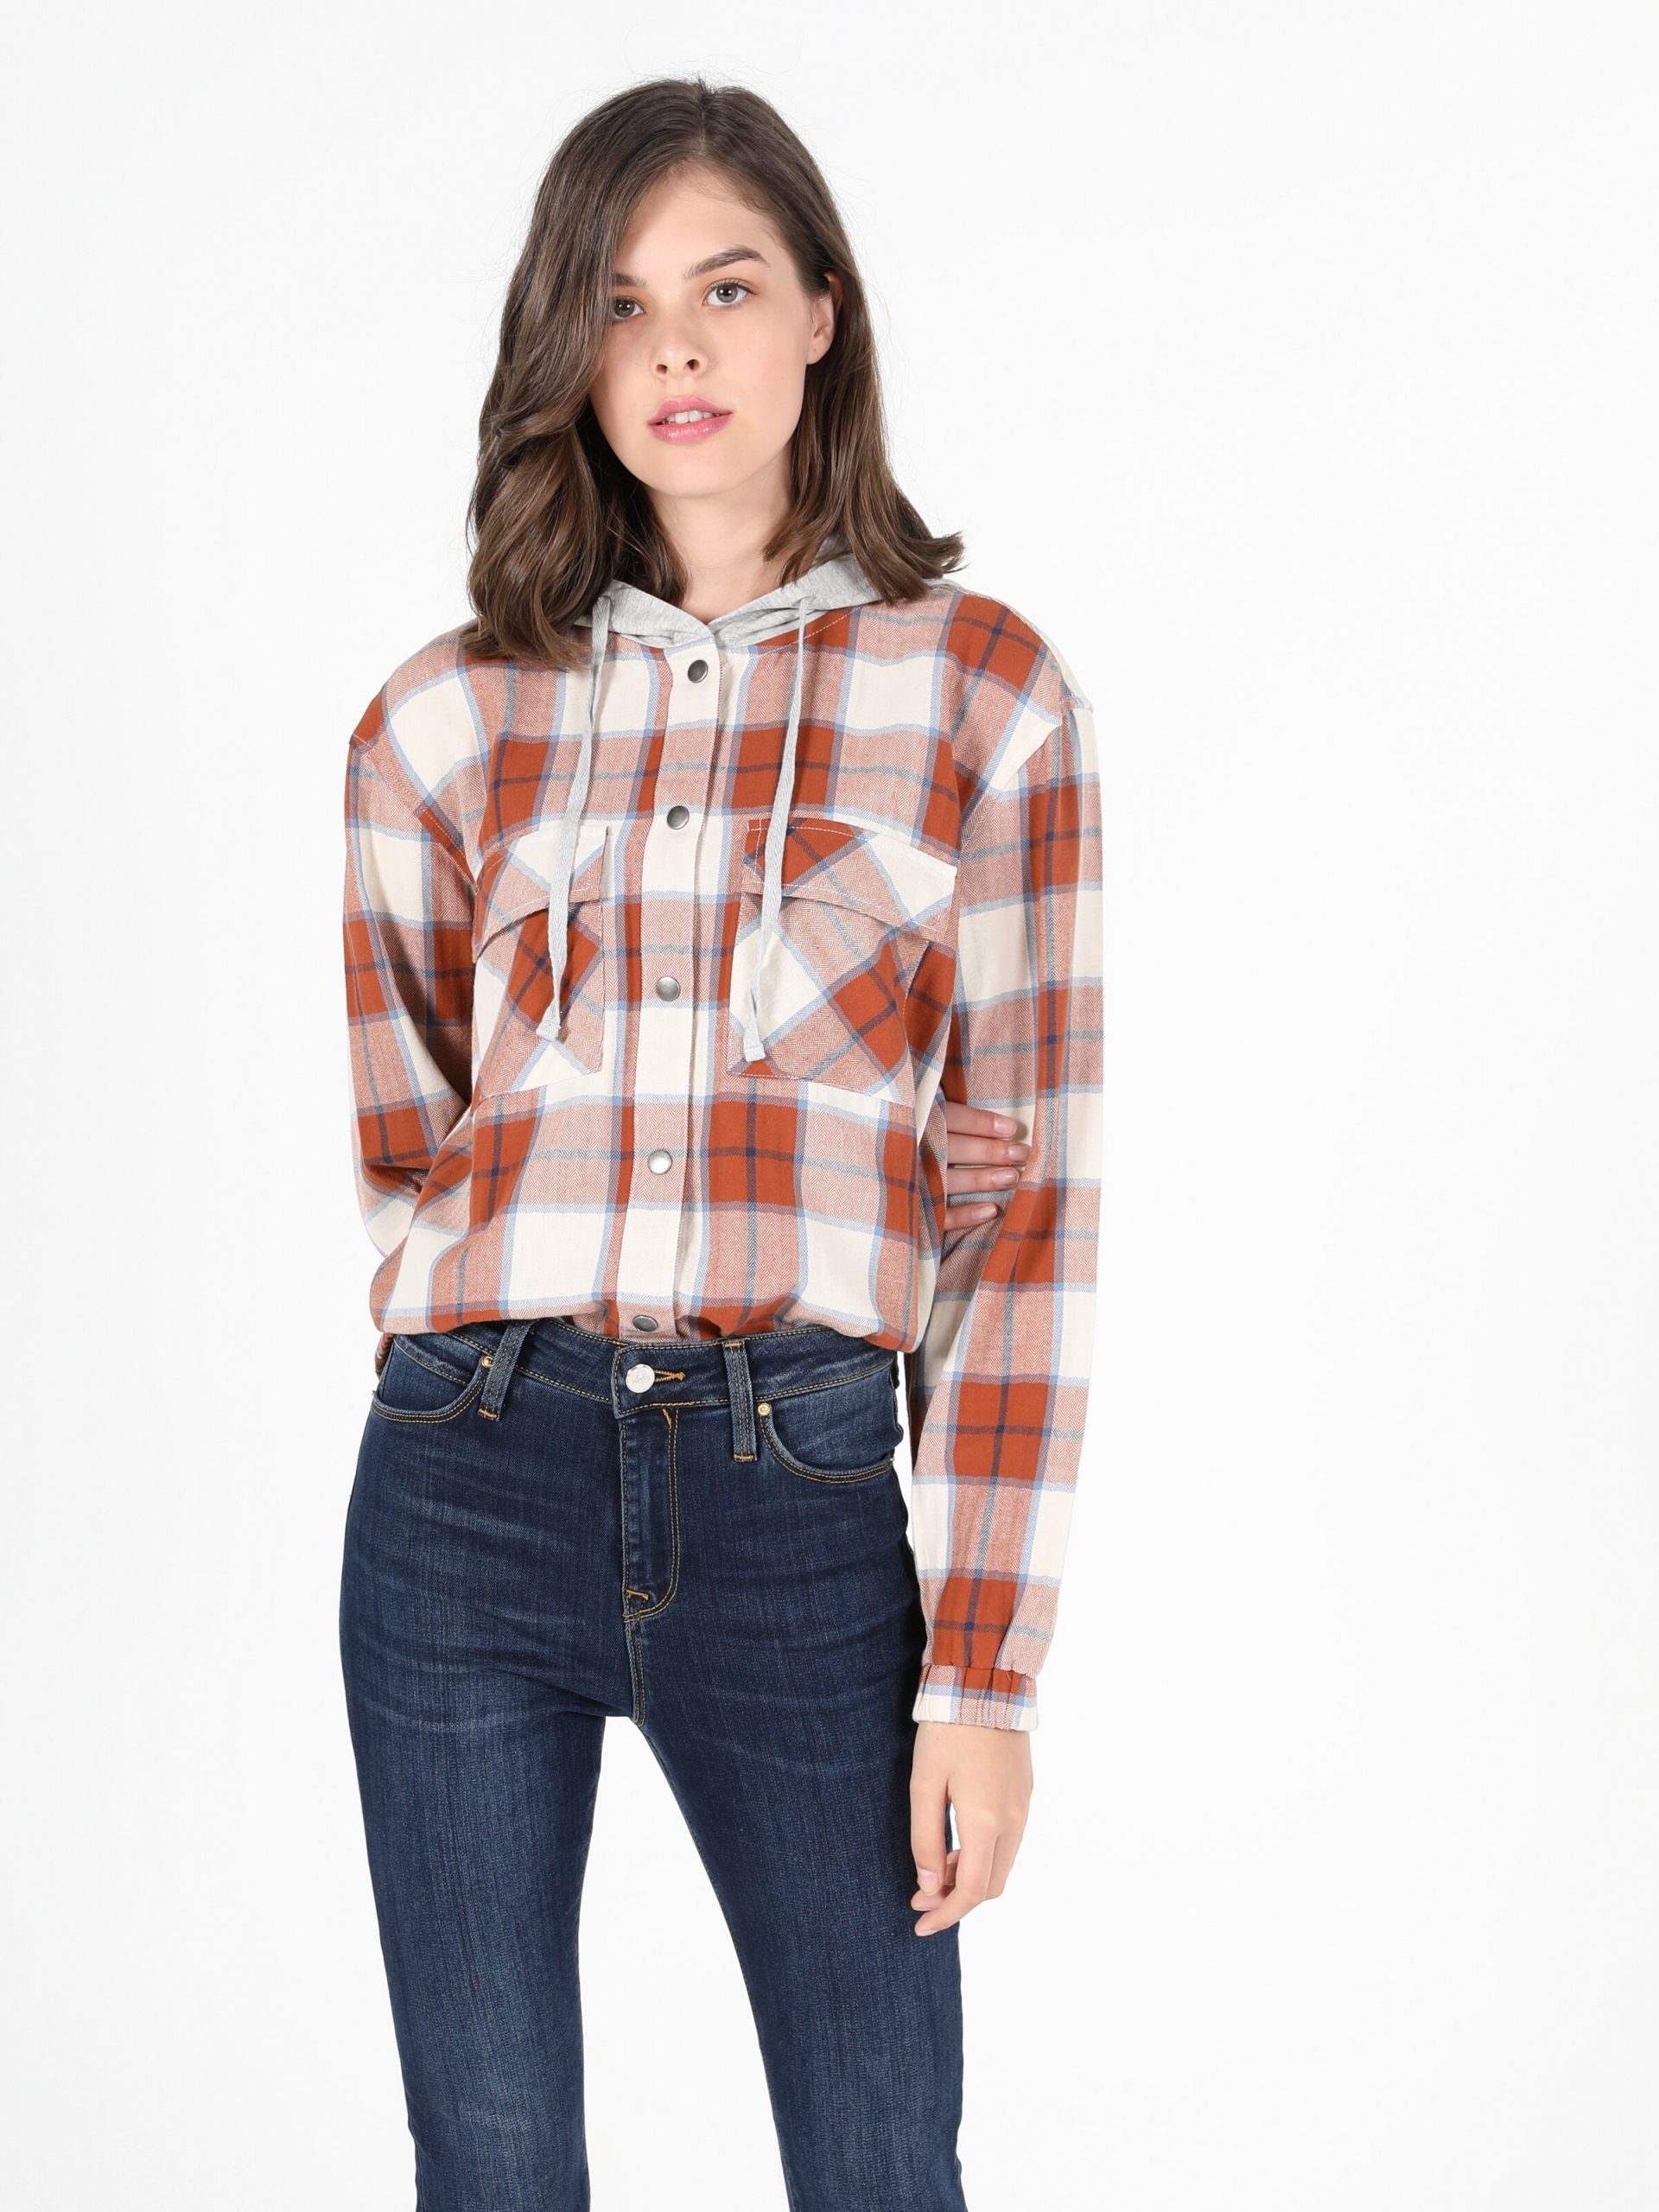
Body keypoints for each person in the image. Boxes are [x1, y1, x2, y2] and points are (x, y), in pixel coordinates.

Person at [338, 75, 1103, 2212]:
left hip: (799, 1490)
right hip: (467, 1474)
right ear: (565, 352)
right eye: (618, 302)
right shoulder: (440, 717)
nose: (674, 347)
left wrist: (986, 1676)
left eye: (728, 288)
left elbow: (1028, 1207)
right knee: (492, 2163)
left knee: (878, 2153)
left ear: (823, 315)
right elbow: (412, 1139)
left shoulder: (984, 694)